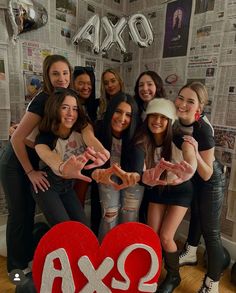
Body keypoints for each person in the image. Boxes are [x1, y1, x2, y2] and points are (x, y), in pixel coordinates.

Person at [134, 98, 197, 293]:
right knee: (151, 234)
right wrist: (145, 176)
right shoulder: (144, 139)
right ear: (148, 118)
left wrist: (189, 170)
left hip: (180, 190)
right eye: (154, 116)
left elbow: (190, 159)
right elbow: (142, 169)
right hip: (158, 189)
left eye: (163, 117)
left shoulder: (180, 139)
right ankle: (153, 269)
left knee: (166, 237)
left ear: (170, 120)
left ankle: (173, 275)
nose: (158, 121)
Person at [175, 82, 225, 293]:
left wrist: (195, 152)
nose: (183, 104)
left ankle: (212, 283)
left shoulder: (203, 130)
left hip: (211, 180)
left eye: (190, 101)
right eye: (181, 98)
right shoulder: (177, 120)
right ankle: (192, 252)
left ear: (199, 108)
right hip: (195, 177)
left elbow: (207, 173)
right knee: (195, 214)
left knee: (211, 233)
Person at [33, 88, 103, 226]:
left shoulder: (81, 128)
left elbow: (90, 137)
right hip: (47, 185)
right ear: (54, 109)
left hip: (67, 186)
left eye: (75, 109)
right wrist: (62, 167)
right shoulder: (44, 138)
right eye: (65, 108)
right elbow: (48, 156)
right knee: (64, 227)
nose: (71, 114)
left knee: (83, 227)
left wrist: (102, 152)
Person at [91, 92, 144, 241]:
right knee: (110, 216)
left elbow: (138, 168)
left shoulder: (138, 132)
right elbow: (90, 165)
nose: (122, 118)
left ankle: (127, 254)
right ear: (110, 110)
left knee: (130, 217)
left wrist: (133, 176)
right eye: (118, 111)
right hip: (107, 178)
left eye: (128, 114)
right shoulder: (99, 128)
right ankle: (106, 254)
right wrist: (97, 173)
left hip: (131, 177)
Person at [133, 70, 166, 223]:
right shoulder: (137, 109)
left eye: (149, 84)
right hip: (141, 166)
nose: (144, 88)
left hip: (159, 166)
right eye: (141, 85)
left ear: (157, 86)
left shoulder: (166, 108)